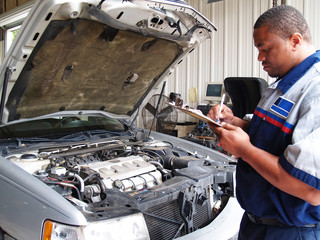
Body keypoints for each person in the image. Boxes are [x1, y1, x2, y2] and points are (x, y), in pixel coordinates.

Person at [207, 5, 320, 239]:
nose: (259, 58)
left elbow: (311, 189)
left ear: (295, 41)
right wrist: (235, 122)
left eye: (265, 49)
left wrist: (244, 150)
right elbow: (273, 138)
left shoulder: (315, 90)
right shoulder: (281, 85)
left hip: (291, 232)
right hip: (254, 224)